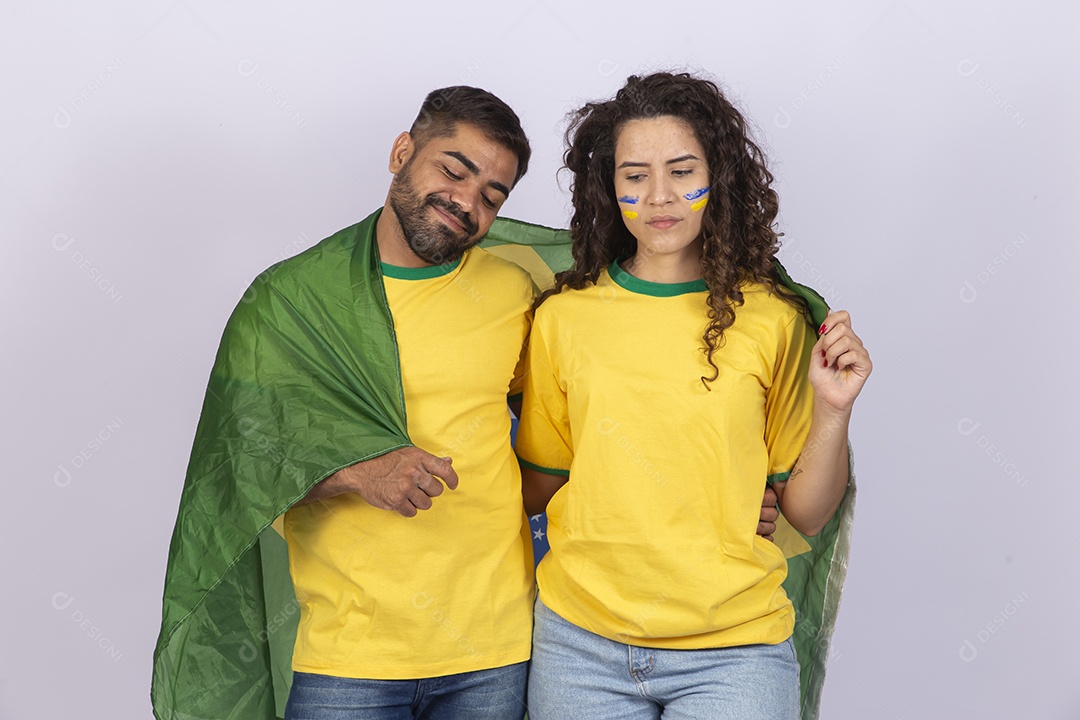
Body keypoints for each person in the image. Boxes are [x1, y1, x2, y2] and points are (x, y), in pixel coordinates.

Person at [151, 84, 784, 720]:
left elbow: (610, 394)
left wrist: (711, 492)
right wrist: (357, 471)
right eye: (453, 170)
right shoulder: (293, 302)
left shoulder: (518, 292)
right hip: (350, 654)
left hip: (498, 649)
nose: (466, 201)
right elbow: (235, 468)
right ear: (402, 151)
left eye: (492, 195)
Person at [516, 72, 872, 720]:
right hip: (579, 648)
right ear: (609, 186)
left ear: (720, 177)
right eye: (634, 175)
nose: (659, 197)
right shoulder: (562, 320)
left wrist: (834, 409)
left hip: (735, 650)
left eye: (682, 171)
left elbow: (809, 514)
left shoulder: (770, 320)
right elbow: (536, 487)